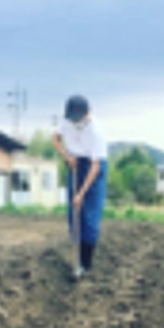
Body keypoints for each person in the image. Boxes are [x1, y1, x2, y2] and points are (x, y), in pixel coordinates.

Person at [52, 94, 108, 280]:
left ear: (87, 114)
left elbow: (95, 167)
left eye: (79, 119)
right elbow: (55, 140)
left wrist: (81, 194)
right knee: (73, 214)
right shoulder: (66, 121)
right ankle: (76, 257)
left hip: (93, 167)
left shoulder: (96, 131)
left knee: (89, 216)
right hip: (75, 162)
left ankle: (85, 264)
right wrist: (67, 156)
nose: (76, 122)